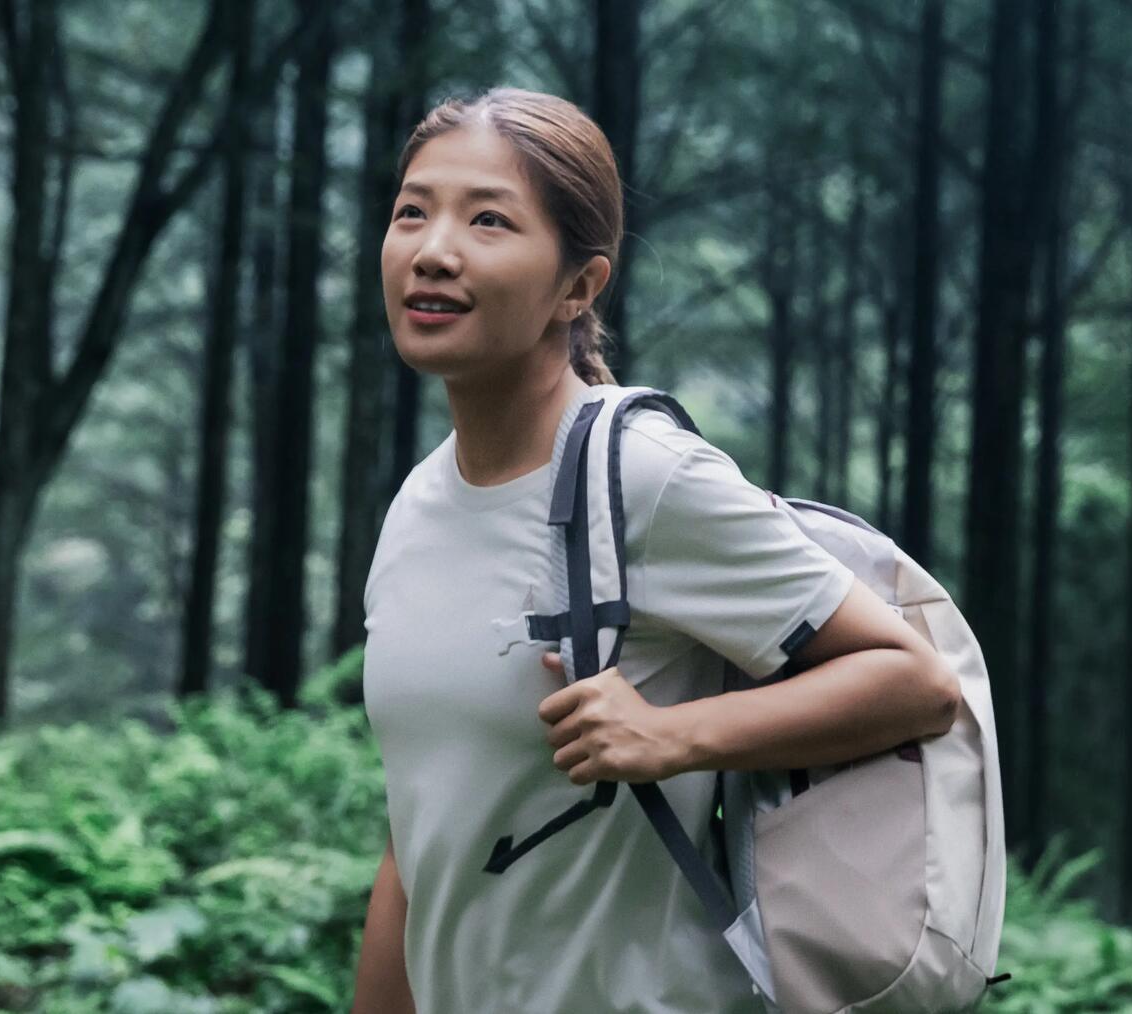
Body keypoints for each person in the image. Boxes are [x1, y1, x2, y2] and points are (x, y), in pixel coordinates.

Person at [348, 87, 962, 1014]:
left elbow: (913, 680)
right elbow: (421, 834)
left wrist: (671, 736)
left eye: (488, 220)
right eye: (411, 212)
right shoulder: (418, 506)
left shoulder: (643, 475)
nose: (434, 251)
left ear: (579, 286)